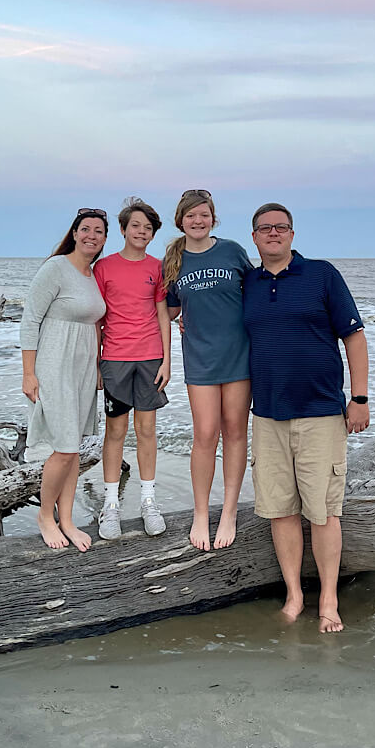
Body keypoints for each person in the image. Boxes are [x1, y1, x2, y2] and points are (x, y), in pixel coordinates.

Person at [242, 203, 369, 632]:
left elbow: (353, 335)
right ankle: (294, 595)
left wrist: (360, 398)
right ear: (254, 238)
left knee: (323, 512)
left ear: (292, 234)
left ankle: (329, 600)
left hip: (320, 413)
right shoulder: (248, 283)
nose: (273, 233)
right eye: (265, 229)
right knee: (280, 511)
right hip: (268, 416)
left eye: (281, 227)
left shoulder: (322, 275)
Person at [164, 189, 253, 551]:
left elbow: (258, 292)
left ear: (213, 218)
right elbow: (166, 310)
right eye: (191, 216)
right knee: (204, 433)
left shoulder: (231, 251)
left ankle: (229, 510)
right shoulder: (173, 259)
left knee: (234, 431)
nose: (197, 221)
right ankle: (201, 513)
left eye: (204, 215)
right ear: (180, 220)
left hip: (239, 355)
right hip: (199, 357)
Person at [20, 208, 108, 551]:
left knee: (75, 449)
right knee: (65, 447)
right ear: (74, 233)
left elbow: (95, 325)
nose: (91, 235)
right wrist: (29, 373)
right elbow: (29, 322)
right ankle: (45, 516)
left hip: (83, 367)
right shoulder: (55, 268)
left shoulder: (91, 275)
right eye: (85, 229)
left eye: (98, 231)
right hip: (54, 363)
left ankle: (67, 519)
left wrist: (98, 365)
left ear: (104, 239)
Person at [94, 197, 171, 539]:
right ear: (123, 230)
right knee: (115, 432)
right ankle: (110, 506)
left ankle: (149, 502)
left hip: (150, 358)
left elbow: (163, 315)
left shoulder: (157, 267)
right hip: (115, 358)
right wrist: (96, 362)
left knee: (147, 430)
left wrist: (167, 359)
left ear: (153, 234)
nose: (142, 231)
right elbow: (96, 319)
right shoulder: (104, 268)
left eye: (148, 228)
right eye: (136, 226)